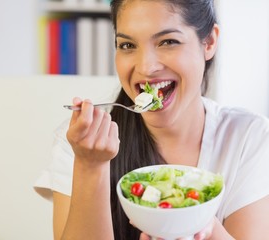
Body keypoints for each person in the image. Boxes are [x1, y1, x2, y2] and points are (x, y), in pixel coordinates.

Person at [34, 0, 269, 239]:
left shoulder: (248, 137)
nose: (146, 67)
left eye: (168, 42)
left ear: (208, 42)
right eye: (127, 45)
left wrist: (205, 227)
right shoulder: (82, 143)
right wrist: (90, 166)